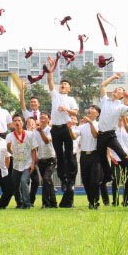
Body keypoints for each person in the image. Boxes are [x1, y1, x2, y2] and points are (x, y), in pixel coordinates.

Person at [46, 56, 79, 205]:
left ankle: (71, 179)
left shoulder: (71, 99)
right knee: (59, 155)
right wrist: (51, 68)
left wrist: (66, 109)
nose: (63, 86)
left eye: (66, 85)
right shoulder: (55, 95)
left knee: (69, 154)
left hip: (66, 128)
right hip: (55, 129)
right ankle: (63, 180)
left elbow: (75, 113)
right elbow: (50, 81)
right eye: (62, 84)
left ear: (69, 88)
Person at [96, 74, 128, 194]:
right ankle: (108, 176)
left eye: (119, 90)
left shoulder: (121, 106)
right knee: (102, 157)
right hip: (101, 135)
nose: (116, 90)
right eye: (116, 89)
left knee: (123, 155)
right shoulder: (105, 101)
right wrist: (113, 76)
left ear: (121, 95)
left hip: (111, 135)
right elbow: (103, 85)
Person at [70, 106, 101, 209]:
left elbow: (95, 135)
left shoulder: (99, 124)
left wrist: (90, 123)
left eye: (93, 109)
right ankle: (91, 201)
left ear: (97, 114)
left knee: (94, 180)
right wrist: (69, 128)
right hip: (84, 155)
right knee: (86, 180)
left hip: (95, 155)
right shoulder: (82, 127)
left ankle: (96, 201)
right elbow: (74, 136)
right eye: (89, 109)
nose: (90, 110)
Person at [6, 115, 39, 209]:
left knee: (24, 181)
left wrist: (33, 164)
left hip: (27, 164)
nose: (17, 122)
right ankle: (19, 203)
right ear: (12, 123)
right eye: (15, 121)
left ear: (22, 122)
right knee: (15, 184)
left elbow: (34, 149)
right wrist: (9, 148)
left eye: (19, 120)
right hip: (16, 164)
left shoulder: (29, 134)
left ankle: (27, 204)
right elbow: (10, 151)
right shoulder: (9, 136)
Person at [34, 112, 57, 208]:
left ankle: (45, 203)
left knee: (46, 179)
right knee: (48, 182)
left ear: (48, 120)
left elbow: (47, 141)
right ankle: (53, 203)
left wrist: (40, 131)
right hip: (41, 160)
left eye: (45, 116)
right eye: (41, 116)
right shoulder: (35, 131)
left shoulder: (51, 130)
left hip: (50, 159)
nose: (42, 117)